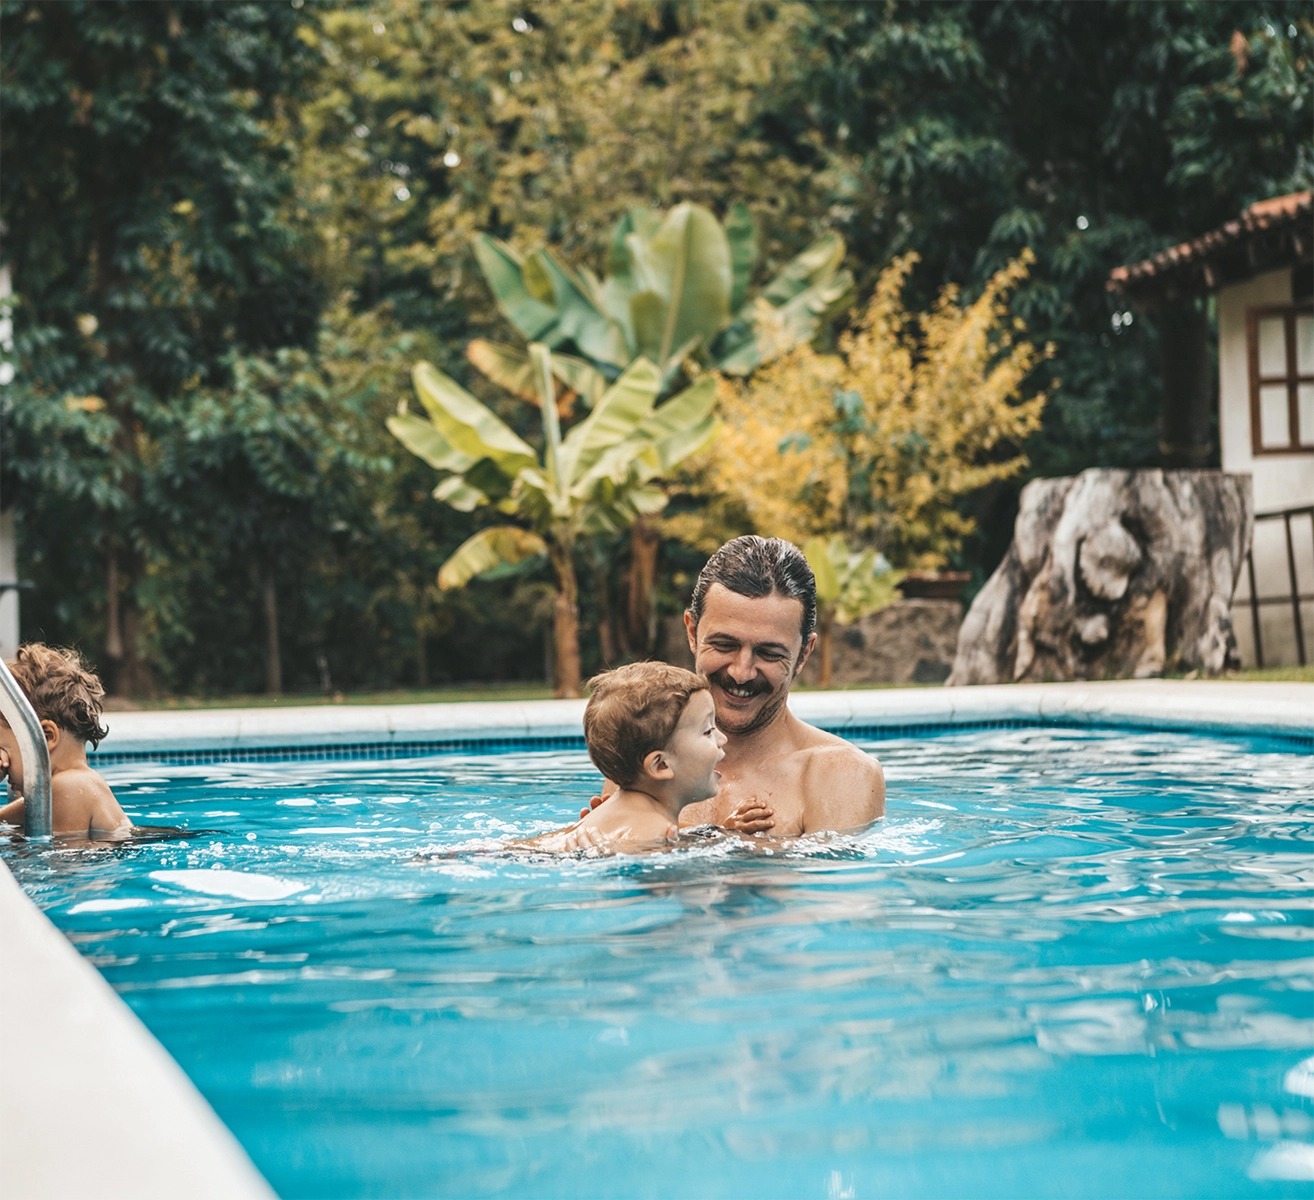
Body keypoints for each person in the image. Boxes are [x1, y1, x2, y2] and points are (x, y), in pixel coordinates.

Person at [584, 536, 885, 836]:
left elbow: (830, 881)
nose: (741, 673)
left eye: (769, 653)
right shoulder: (645, 752)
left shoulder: (842, 776)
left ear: (804, 652)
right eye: (724, 644)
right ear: (692, 632)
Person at [527, 661, 726, 855]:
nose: (722, 739)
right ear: (661, 765)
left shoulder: (613, 813)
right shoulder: (654, 831)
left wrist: (722, 830)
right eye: (708, 731)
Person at [0, 643, 131, 838]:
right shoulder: (66, 785)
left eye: (3, 748)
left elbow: (55, 862)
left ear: (46, 737)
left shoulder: (69, 785)